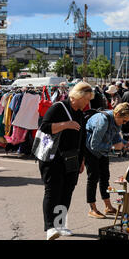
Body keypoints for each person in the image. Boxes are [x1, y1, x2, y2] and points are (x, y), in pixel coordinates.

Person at [38, 82, 94, 240]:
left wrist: (82, 159)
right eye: (86, 99)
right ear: (77, 96)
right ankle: (50, 227)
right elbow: (44, 127)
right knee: (52, 191)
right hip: (52, 158)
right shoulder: (58, 107)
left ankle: (60, 225)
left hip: (72, 159)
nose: (87, 103)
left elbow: (82, 138)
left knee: (66, 192)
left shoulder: (80, 113)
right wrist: (65, 125)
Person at [84, 102, 129, 219]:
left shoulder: (116, 119)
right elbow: (94, 145)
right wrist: (112, 147)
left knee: (105, 177)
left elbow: (116, 135)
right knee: (93, 178)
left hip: (103, 151)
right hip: (91, 151)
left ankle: (108, 207)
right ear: (117, 114)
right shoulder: (103, 122)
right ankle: (92, 209)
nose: (125, 123)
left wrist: (124, 143)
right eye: (124, 120)